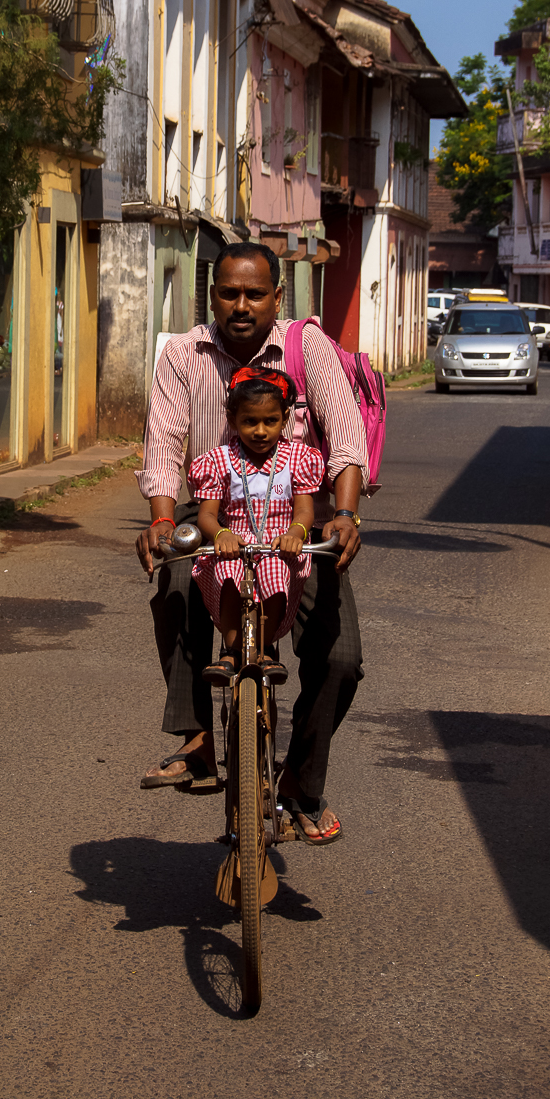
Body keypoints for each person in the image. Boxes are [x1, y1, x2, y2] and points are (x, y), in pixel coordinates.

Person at [135, 242, 368, 846]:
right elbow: (163, 445)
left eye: (254, 294)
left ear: (277, 297)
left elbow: (346, 440)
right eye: (228, 293)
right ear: (211, 296)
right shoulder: (185, 354)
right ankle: (199, 741)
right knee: (174, 581)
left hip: (296, 517)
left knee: (341, 658)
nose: (241, 305)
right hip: (218, 516)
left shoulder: (306, 347)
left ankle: (299, 785)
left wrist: (343, 516)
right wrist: (163, 523)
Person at [190, 366, 325, 683]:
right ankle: (229, 650)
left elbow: (305, 511)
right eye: (250, 421)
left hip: (278, 546)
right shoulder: (220, 461)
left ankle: (266, 648)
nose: (261, 431)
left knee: (277, 572)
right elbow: (206, 516)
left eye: (271, 421)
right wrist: (221, 534)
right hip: (233, 546)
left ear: (285, 417)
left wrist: (296, 532)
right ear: (231, 419)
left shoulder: (297, 459)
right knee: (228, 574)